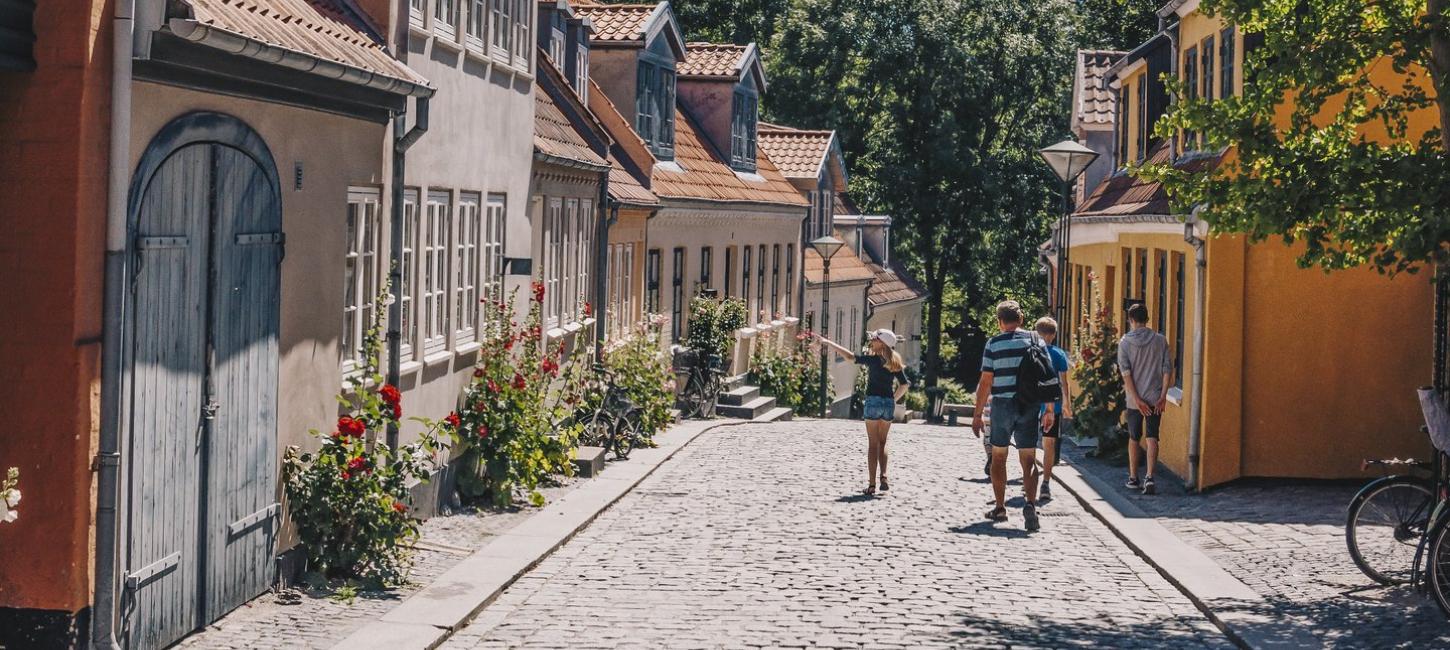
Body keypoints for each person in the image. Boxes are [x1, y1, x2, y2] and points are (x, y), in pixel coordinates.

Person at [971, 301, 1054, 531]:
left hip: (1002, 405)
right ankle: (1029, 503)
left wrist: (977, 415)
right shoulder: (1036, 340)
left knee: (998, 456)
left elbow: (986, 381)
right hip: (1030, 404)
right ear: (1022, 319)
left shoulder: (993, 344)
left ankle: (1000, 507)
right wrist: (1048, 409)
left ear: (1000, 322)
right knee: (1028, 458)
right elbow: (1046, 375)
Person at [818, 329, 910, 496]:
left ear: (881, 343)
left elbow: (850, 357)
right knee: (883, 442)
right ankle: (884, 476)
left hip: (873, 402)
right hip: (887, 404)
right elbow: (904, 385)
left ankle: (872, 485)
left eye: (874, 339)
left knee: (872, 444)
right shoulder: (894, 362)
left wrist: (829, 343)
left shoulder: (874, 360)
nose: (871, 342)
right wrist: (893, 400)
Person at [1119, 303, 1173, 495]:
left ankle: (1133, 478)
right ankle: (1150, 476)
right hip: (1155, 397)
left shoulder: (1125, 342)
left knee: (1134, 437)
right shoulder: (1160, 341)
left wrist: (1136, 399)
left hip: (1135, 400)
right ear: (1147, 319)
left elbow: (1126, 374)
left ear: (1131, 320)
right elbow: (1167, 369)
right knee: (1152, 436)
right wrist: (1163, 395)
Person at [1033, 317, 1071, 500]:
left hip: (1033, 404)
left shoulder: (1030, 352)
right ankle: (1046, 483)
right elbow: (1064, 383)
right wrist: (1067, 405)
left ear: (1037, 333)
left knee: (1030, 444)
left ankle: (1030, 477)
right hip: (1054, 406)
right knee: (1050, 444)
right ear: (1054, 335)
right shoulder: (1059, 354)